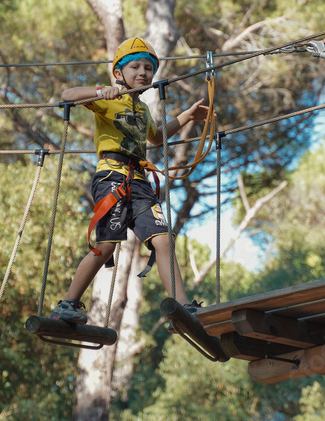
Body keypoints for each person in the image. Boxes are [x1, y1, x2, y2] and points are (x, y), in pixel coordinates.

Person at [50, 37, 209, 324]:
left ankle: (184, 305)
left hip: (140, 182)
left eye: (148, 68)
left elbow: (157, 137)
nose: (143, 72)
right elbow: (67, 93)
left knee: (164, 240)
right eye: (134, 66)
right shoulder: (107, 100)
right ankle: (68, 303)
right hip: (112, 176)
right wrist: (101, 91)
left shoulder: (143, 110)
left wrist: (186, 117)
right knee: (107, 245)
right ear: (119, 73)